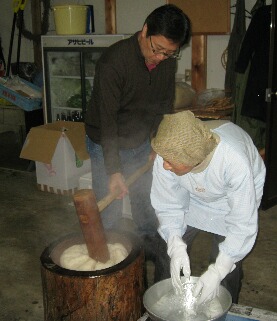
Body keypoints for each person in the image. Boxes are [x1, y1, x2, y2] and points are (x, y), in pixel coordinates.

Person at [84, 5, 190, 264]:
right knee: (110, 204)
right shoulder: (114, 62)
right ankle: (107, 258)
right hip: (106, 141)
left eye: (170, 53)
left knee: (145, 198)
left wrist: (159, 143)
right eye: (157, 49)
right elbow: (107, 120)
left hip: (141, 139)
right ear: (145, 31)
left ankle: (147, 243)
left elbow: (164, 106)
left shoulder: (165, 63)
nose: (161, 58)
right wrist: (114, 170)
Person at [150, 110, 266, 304]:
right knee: (168, 251)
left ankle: (226, 306)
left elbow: (242, 224)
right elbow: (168, 204)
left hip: (233, 200)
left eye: (170, 162)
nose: (164, 166)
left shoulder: (234, 161)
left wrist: (219, 269)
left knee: (225, 261)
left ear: (191, 159)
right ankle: (165, 303)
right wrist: (174, 242)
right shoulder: (167, 155)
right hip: (194, 195)